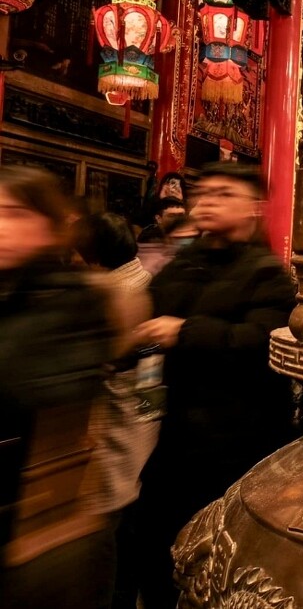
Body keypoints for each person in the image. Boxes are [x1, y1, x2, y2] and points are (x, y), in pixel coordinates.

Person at [131, 163, 298, 608]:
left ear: (253, 207)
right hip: (176, 435)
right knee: (154, 547)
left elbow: (263, 341)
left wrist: (185, 331)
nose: (207, 202)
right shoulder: (183, 264)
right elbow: (149, 314)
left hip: (239, 442)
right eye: (202, 193)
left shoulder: (267, 273)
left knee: (221, 559)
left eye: (224, 194)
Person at [0, 166, 145, 609]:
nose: (1, 227)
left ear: (50, 226)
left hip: (47, 522)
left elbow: (30, 381)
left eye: (14, 213)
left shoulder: (81, 298)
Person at [74, 212, 159, 609]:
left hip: (119, 415)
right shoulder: (142, 276)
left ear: (91, 254)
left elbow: (106, 359)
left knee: (113, 519)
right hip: (145, 406)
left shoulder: (113, 290)